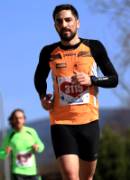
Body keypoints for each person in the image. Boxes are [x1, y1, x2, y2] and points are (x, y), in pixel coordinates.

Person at [34, 4, 118, 180]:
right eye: (59, 21)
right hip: (61, 121)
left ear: (77, 23)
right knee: (71, 176)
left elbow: (113, 78)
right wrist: (43, 97)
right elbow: (39, 78)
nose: (64, 24)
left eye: (68, 20)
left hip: (89, 120)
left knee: (87, 177)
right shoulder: (48, 52)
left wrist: (92, 80)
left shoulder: (94, 47)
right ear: (55, 26)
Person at [0, 108, 45, 180]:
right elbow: (1, 154)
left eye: (20, 118)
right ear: (12, 120)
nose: (18, 120)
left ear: (24, 119)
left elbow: (41, 147)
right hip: (17, 173)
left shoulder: (31, 131)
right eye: (16, 118)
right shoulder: (10, 136)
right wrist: (5, 152)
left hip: (33, 172)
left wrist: (37, 147)